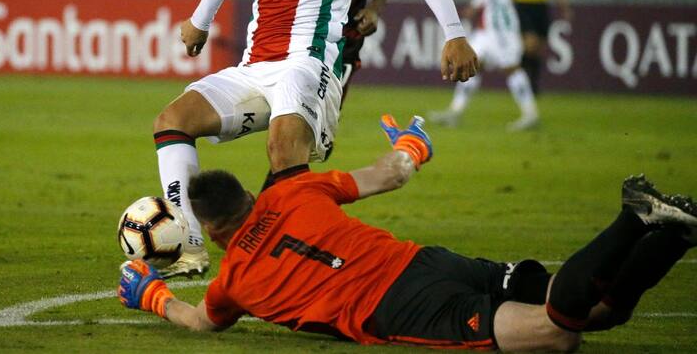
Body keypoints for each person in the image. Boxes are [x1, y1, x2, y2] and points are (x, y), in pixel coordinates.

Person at [154, 0, 478, 277]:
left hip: (309, 65)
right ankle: (190, 245)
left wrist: (454, 35)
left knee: (282, 150)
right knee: (172, 121)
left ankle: (294, 264)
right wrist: (200, 20)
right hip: (256, 65)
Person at [118, 115, 697, 351]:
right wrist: (412, 146)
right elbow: (390, 174)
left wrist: (152, 294)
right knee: (596, 313)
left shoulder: (235, 282)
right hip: (425, 262)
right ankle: (674, 234)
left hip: (400, 305)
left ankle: (633, 217)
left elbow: (198, 320)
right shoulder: (292, 190)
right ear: (250, 196)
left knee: (558, 335)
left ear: (215, 234)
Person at [429, 0, 539, 131]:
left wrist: (476, 3)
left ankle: (530, 113)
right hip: (486, 24)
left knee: (511, 67)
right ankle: (455, 112)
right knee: (470, 63)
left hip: (500, 22)